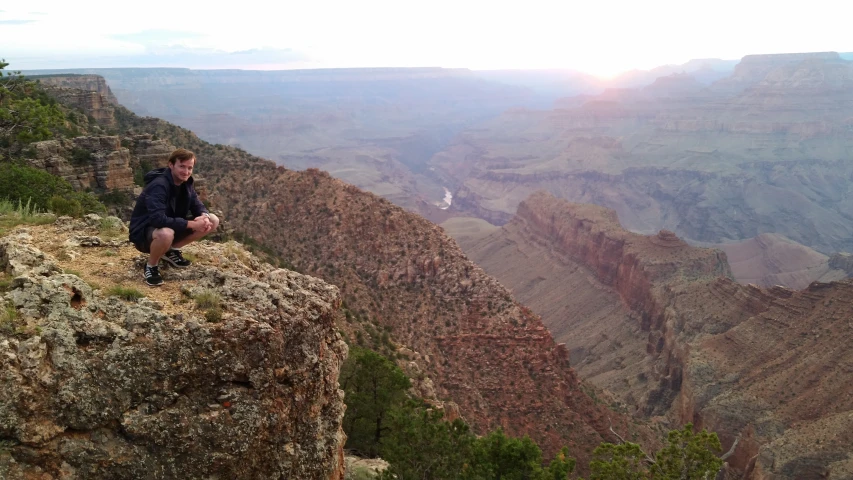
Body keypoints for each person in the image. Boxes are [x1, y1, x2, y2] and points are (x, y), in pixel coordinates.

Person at [128, 148, 220, 286]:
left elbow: (197, 204)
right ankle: (151, 266)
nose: (186, 171)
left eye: (190, 168)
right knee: (166, 233)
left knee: (213, 220)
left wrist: (204, 215)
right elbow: (157, 220)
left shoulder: (186, 183)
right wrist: (192, 224)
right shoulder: (159, 186)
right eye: (182, 166)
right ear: (171, 165)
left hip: (171, 225)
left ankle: (171, 251)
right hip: (145, 233)